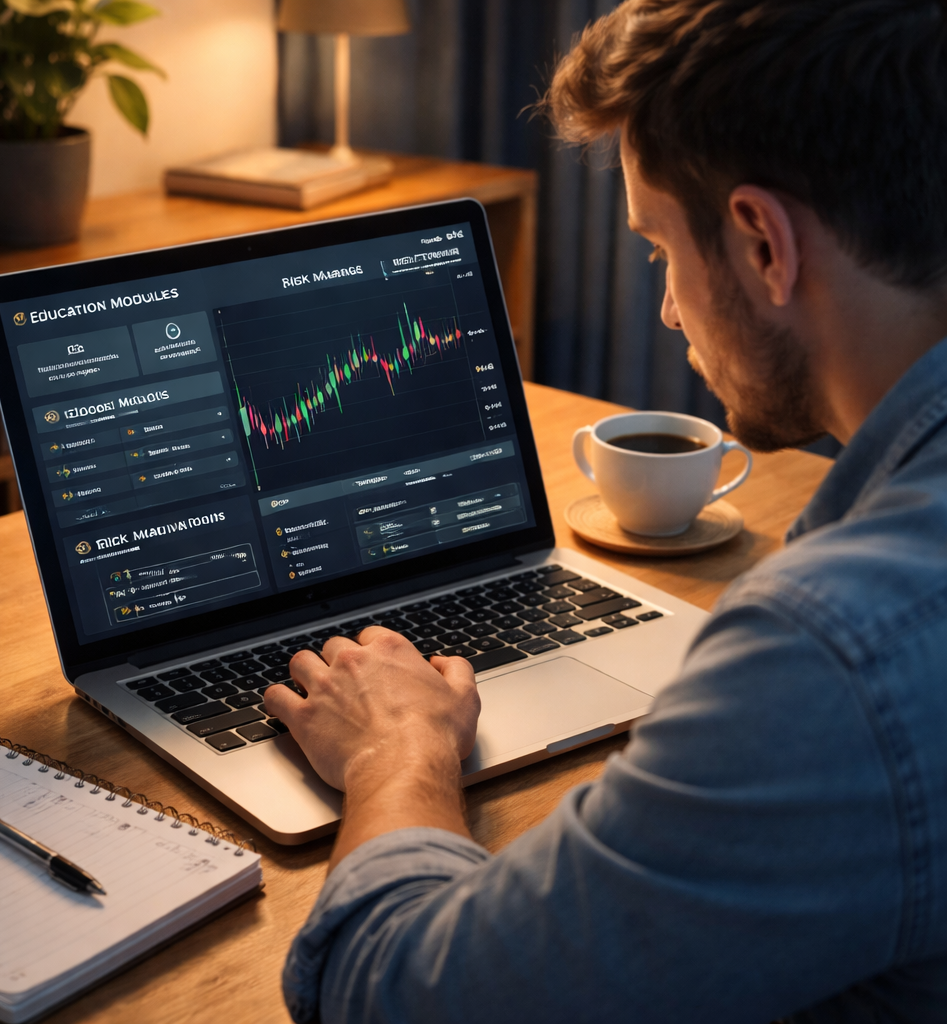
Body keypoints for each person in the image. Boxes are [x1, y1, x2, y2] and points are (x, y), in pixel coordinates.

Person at [263, 1, 947, 1020]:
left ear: (762, 242)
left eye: (657, 248)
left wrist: (392, 754)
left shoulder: (836, 657)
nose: (668, 307)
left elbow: (396, 997)